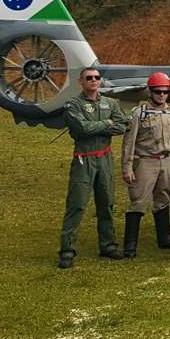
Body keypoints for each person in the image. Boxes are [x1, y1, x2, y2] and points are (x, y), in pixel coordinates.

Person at [58, 66, 129, 268]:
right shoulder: (73, 105)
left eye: (97, 77)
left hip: (105, 158)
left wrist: (101, 125)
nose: (93, 80)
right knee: (77, 204)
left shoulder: (111, 102)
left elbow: (122, 125)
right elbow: (80, 128)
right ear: (81, 81)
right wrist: (106, 123)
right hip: (83, 159)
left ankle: (108, 245)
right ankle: (67, 250)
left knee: (106, 203)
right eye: (89, 78)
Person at [120, 72, 170, 259]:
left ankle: (164, 238)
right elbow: (128, 143)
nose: (162, 95)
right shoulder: (139, 114)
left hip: (166, 160)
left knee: (164, 197)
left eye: (165, 92)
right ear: (150, 92)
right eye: (158, 92)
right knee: (139, 201)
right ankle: (130, 244)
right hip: (145, 161)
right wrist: (127, 168)